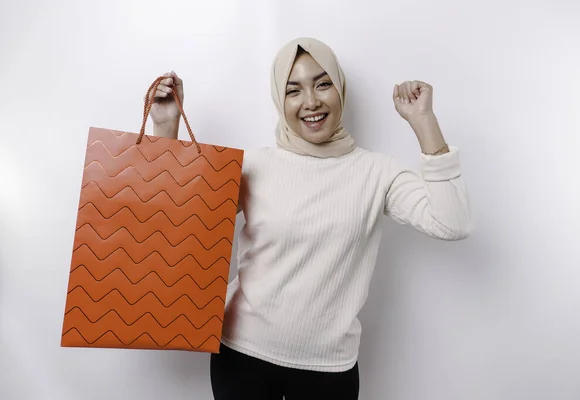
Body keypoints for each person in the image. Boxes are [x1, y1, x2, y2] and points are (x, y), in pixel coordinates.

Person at [149, 37, 473, 400]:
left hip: (328, 370)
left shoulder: (377, 173)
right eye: (293, 90)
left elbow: (452, 222)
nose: (311, 102)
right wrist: (165, 128)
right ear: (279, 100)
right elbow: (175, 221)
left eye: (322, 84)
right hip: (241, 357)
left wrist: (424, 121)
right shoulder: (253, 165)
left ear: (340, 89)